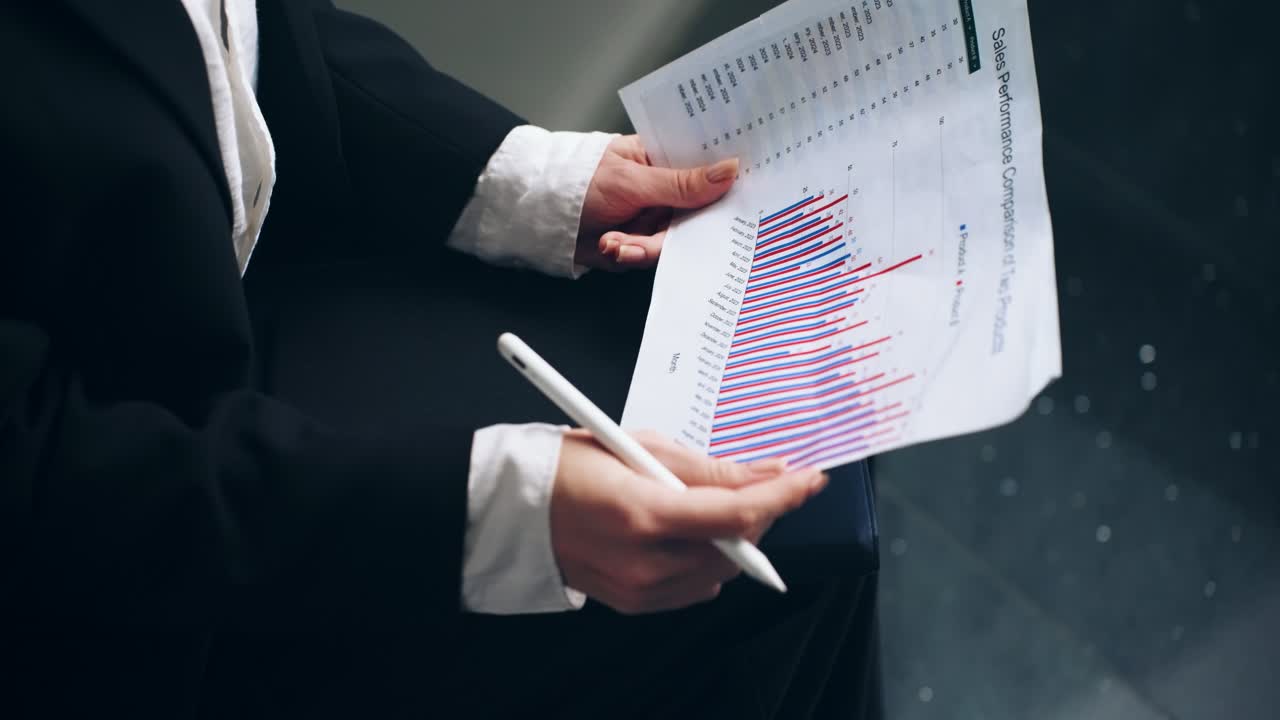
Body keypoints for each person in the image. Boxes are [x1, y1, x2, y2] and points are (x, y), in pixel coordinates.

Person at [1, 1, 880, 717]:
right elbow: (45, 485)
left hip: (233, 299)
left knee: (808, 459)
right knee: (767, 562)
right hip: (142, 569)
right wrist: (509, 516)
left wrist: (540, 183)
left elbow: (247, 34)